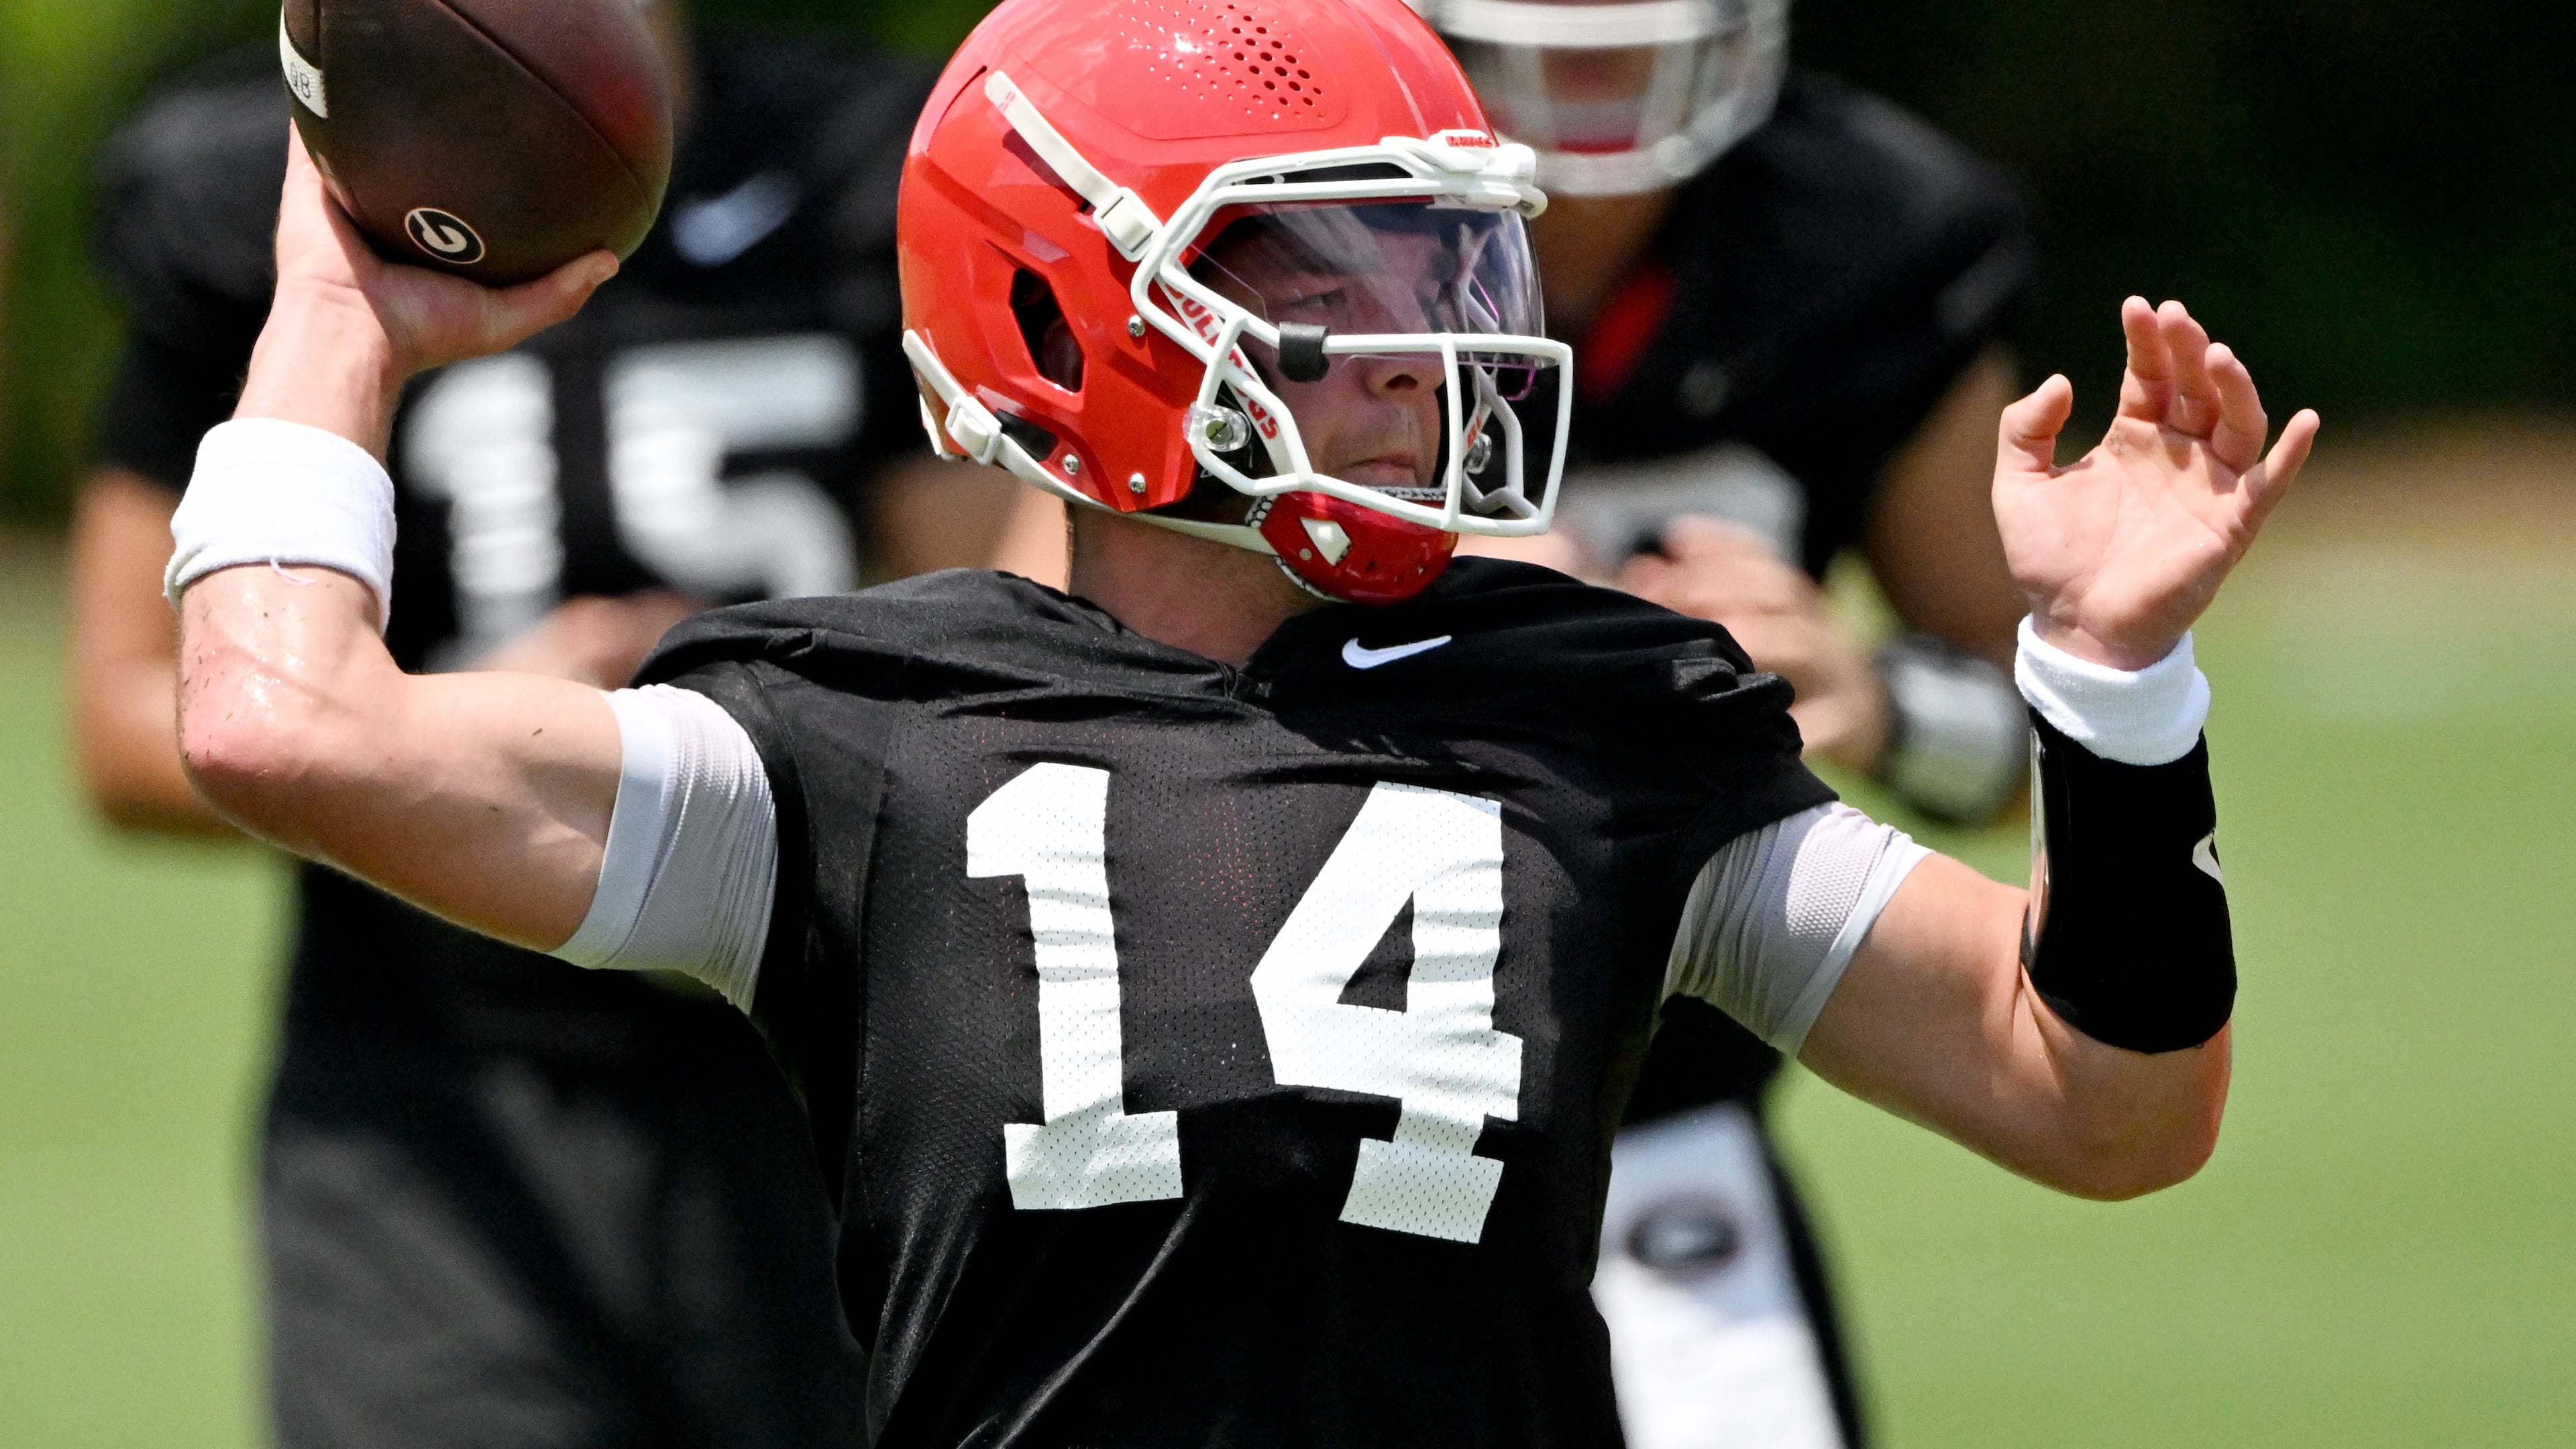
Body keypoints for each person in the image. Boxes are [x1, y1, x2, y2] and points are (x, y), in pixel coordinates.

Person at [160, 1, 2315, 1446]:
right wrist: (338, 321)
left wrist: (2117, 690)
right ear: (1069, 319)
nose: (1423, 342)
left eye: (1443, 262)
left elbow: (2103, 1104)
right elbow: (279, 728)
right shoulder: (856, 744)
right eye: (1327, 275)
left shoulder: (1618, 729)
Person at [64, 6, 970, 1443]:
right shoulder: (264, 191)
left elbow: (984, 668)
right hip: (437, 1108)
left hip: (824, 1089)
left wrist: (735, 766)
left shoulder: (865, 165)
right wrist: (455, 742)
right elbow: (125, 722)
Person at [1405, 2, 2034, 1441]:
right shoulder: (1286, 201)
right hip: (1293, 1099)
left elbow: (2014, 736)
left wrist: (1873, 702)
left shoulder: (1871, 237)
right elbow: (1071, 643)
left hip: (1663, 1117)